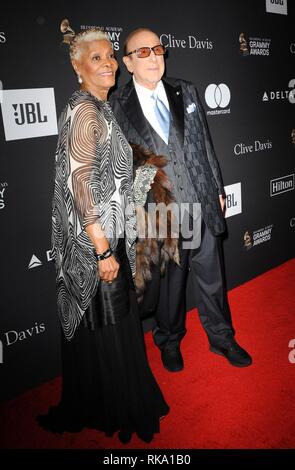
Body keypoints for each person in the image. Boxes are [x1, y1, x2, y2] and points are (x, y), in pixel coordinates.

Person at [37, 21, 169, 445]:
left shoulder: (100, 108)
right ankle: (123, 407)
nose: (109, 62)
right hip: (95, 246)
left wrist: (141, 178)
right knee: (114, 327)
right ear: (79, 68)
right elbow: (80, 184)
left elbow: (106, 179)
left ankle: (106, 402)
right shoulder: (84, 109)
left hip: (106, 239)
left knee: (110, 329)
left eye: (110, 55)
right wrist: (102, 251)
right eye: (97, 58)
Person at [110, 27, 252, 373]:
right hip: (162, 214)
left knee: (212, 279)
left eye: (157, 49)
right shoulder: (116, 106)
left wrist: (216, 189)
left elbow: (205, 144)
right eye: (142, 52)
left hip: (200, 204)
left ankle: (222, 337)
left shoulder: (184, 89)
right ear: (128, 62)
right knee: (170, 290)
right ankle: (169, 341)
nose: (153, 57)